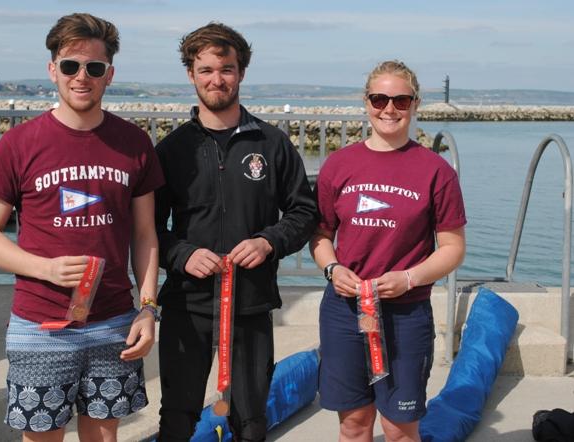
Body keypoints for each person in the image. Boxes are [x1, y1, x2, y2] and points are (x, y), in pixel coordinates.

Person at [0, 13, 164, 441]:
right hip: (41, 325)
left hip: (114, 321)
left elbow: (145, 234)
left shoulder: (134, 143)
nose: (82, 77)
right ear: (52, 70)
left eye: (94, 68)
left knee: (104, 436)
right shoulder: (18, 143)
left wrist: (148, 308)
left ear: (109, 74)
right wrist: (45, 269)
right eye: (70, 66)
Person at [154, 22, 318, 442]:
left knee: (251, 420)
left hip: (250, 301)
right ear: (191, 74)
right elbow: (149, 229)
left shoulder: (272, 143)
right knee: (177, 417)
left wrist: (268, 241)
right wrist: (183, 253)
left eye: (226, 69)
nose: (216, 79)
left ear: (241, 72)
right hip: (187, 302)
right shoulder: (172, 150)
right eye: (205, 69)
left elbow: (303, 212)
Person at [310, 60, 466, 442]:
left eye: (400, 99)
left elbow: (453, 247)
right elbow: (320, 235)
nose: (389, 109)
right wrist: (332, 269)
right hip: (345, 310)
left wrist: (410, 278)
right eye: (380, 98)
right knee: (354, 424)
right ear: (366, 102)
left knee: (399, 428)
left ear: (414, 105)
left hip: (405, 312)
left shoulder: (435, 170)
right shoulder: (339, 164)